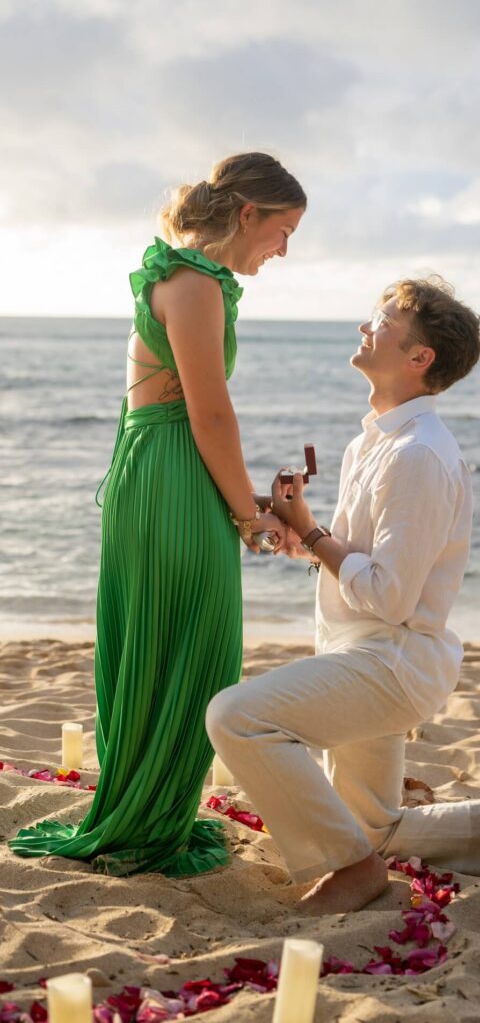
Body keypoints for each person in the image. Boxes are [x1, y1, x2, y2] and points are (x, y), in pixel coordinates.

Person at [206, 276, 480, 913]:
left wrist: (310, 528)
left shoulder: (418, 455)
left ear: (420, 358)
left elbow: (388, 597)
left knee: (236, 717)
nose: (367, 326)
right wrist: (297, 532)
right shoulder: (374, 440)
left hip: (389, 663)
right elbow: (359, 558)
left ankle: (357, 874)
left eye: (383, 319)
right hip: (359, 650)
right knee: (371, 828)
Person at [10, 152, 306, 876]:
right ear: (247, 215)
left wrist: (246, 502)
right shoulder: (196, 284)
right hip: (172, 469)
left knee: (166, 637)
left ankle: (152, 808)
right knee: (193, 644)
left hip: (160, 467)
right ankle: (147, 816)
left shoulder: (181, 276)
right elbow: (208, 413)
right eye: (283, 229)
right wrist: (248, 517)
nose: (285, 249)